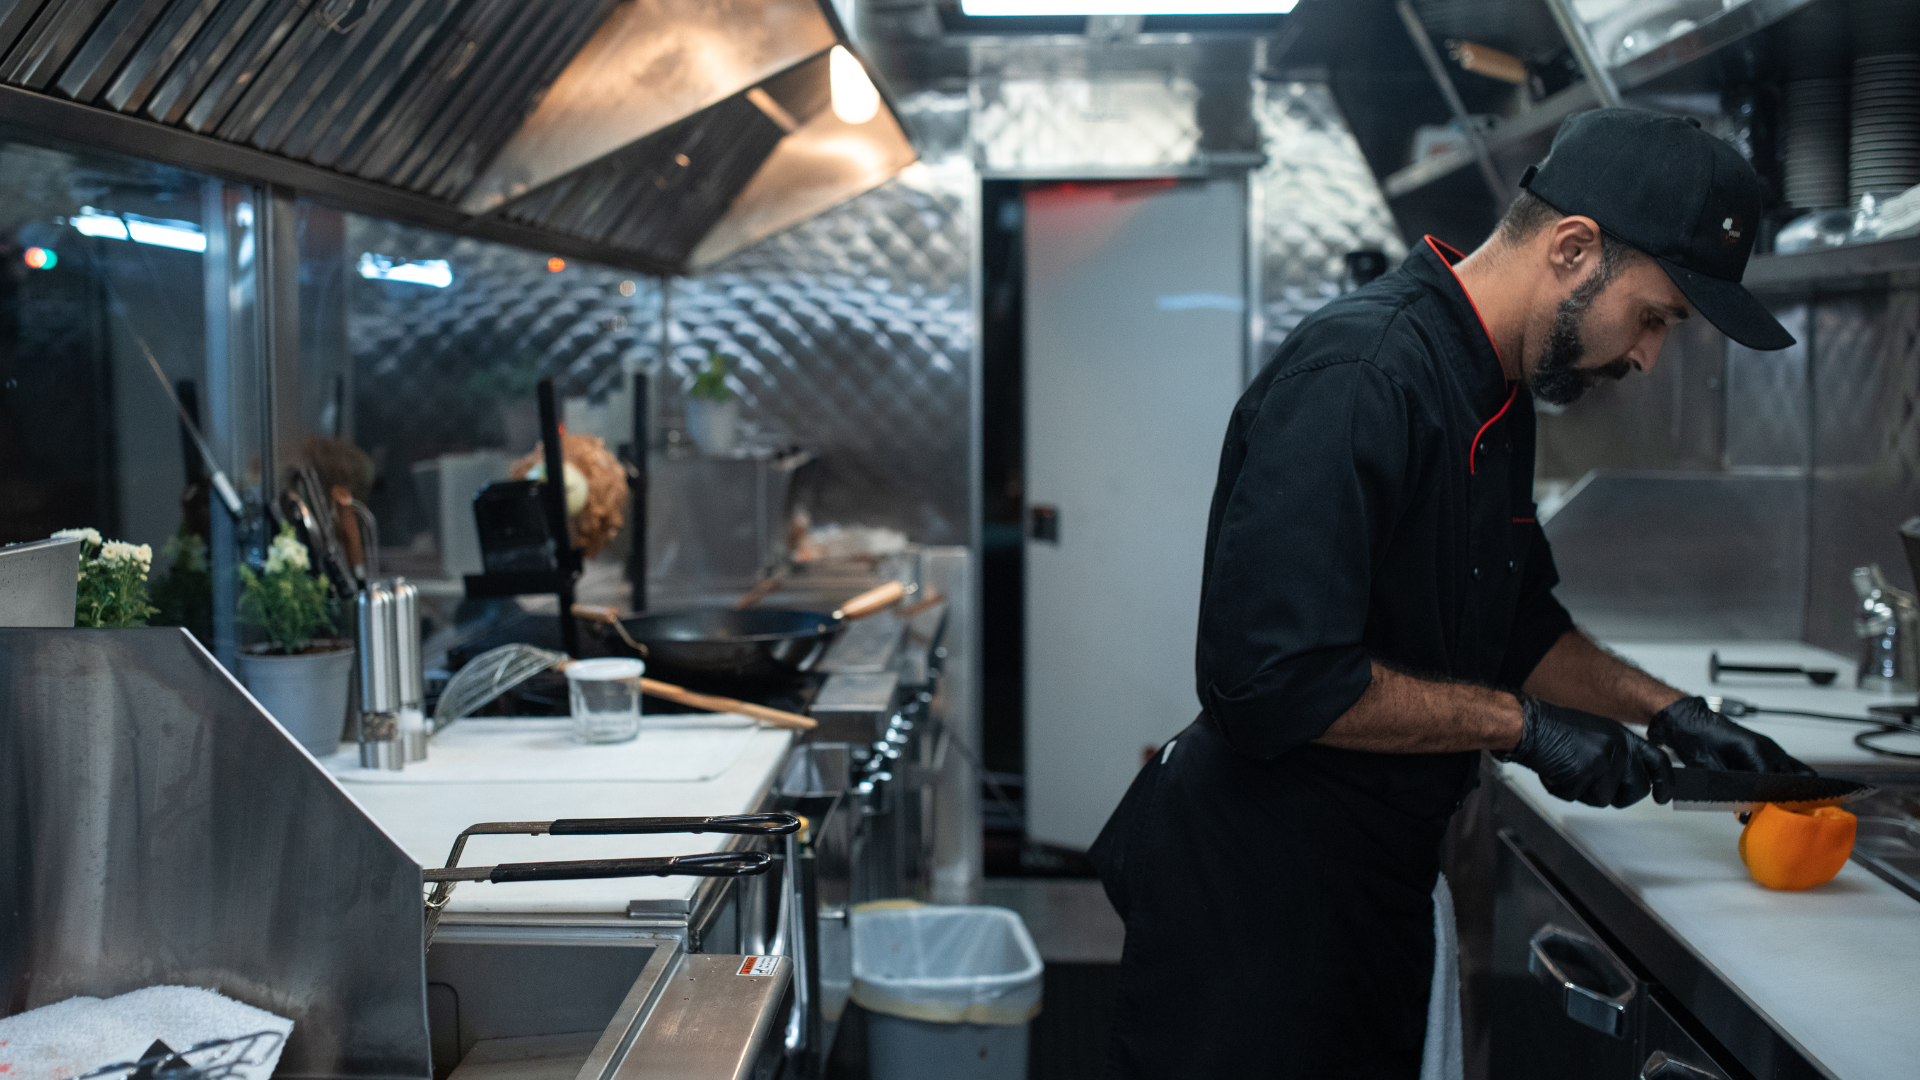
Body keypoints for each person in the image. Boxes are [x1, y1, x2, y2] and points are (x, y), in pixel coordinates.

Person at [1090, 109, 1812, 1079]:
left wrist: (1672, 714)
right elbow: (1275, 679)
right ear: (1572, 247)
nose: (1647, 358)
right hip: (1257, 895)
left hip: (1371, 877)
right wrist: (1525, 729)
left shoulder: (1499, 389)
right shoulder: (1362, 376)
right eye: (1654, 317)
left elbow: (1516, 625)